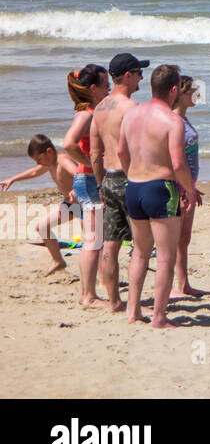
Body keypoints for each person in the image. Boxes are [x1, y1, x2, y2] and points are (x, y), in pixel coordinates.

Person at [119, 65, 197, 328]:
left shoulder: (131, 115)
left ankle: (133, 312)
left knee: (140, 253)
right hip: (161, 188)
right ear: (174, 89)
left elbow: (121, 153)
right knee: (165, 255)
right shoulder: (172, 121)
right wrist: (188, 189)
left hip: (134, 186)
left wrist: (133, 172)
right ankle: (159, 316)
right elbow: (178, 164)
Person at [91, 52, 148, 312]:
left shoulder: (100, 108)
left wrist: (101, 184)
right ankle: (134, 305)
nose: (141, 79)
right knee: (141, 244)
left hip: (109, 179)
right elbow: (141, 149)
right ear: (127, 75)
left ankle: (114, 301)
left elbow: (95, 153)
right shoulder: (132, 109)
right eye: (138, 73)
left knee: (110, 243)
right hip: (130, 178)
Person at [0, 136, 82, 276]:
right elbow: (34, 172)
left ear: (49, 151)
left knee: (93, 240)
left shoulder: (63, 161)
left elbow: (79, 174)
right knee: (42, 227)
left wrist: (76, 188)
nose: (39, 164)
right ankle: (58, 260)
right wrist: (13, 179)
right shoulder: (50, 163)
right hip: (69, 205)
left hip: (83, 204)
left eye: (39, 160)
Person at [64, 64, 110, 305]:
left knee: (95, 239)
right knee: (92, 241)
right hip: (88, 180)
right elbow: (69, 144)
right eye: (105, 84)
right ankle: (88, 295)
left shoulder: (92, 111)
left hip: (89, 179)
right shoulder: (87, 114)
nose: (109, 87)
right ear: (93, 88)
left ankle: (93, 290)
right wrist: (90, 165)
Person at [171, 75, 207, 296]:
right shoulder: (173, 121)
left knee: (184, 237)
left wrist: (193, 187)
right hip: (177, 186)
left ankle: (183, 284)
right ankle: (173, 287)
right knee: (174, 238)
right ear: (181, 94)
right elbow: (174, 160)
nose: (197, 94)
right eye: (193, 91)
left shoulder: (183, 119)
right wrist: (185, 188)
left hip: (188, 184)